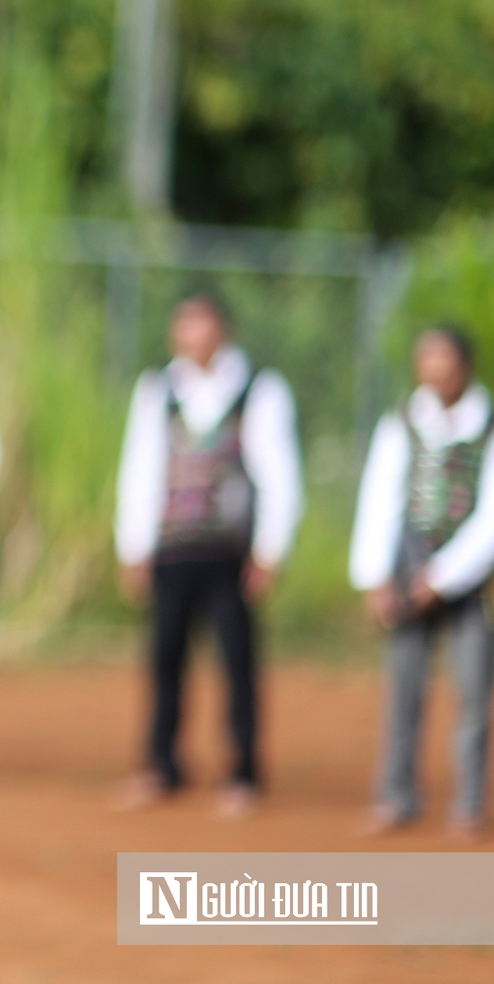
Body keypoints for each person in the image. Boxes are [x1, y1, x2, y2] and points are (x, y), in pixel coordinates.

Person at [112, 291, 303, 817]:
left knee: (237, 659)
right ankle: (162, 763)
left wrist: (269, 551)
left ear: (222, 329)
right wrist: (134, 547)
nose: (190, 336)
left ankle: (243, 768)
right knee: (165, 657)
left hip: (230, 552)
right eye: (183, 326)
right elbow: (141, 468)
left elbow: (279, 475)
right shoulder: (159, 389)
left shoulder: (259, 390)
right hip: (173, 549)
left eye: (199, 325)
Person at [349, 325, 494, 839]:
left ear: (465, 366)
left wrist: (444, 577)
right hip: (408, 568)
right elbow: (379, 498)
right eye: (428, 358)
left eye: (445, 357)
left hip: (474, 581)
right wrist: (375, 576)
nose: (436, 368)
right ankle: (396, 795)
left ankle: (468, 805)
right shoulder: (402, 421)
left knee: (474, 693)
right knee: (404, 688)